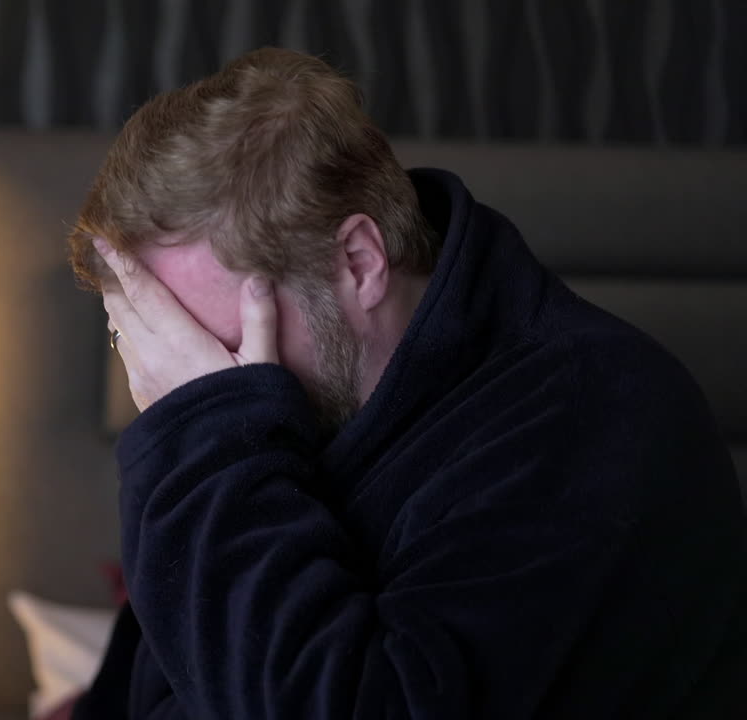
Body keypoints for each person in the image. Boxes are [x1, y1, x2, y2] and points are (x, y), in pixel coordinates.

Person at [65, 47, 747, 719]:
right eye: (165, 348)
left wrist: (208, 431)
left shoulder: (597, 418)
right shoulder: (286, 429)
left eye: (216, 342)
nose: (186, 376)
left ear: (358, 262)